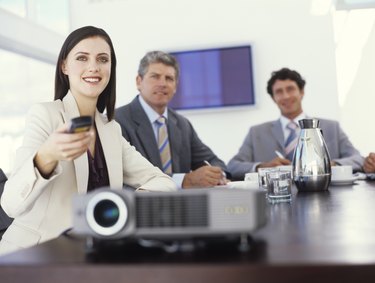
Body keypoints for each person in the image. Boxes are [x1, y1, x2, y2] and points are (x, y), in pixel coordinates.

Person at [0, 26, 177, 255]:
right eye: (82, 58)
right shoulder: (46, 115)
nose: (93, 67)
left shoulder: (111, 130)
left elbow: (163, 182)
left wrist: (132, 201)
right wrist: (47, 155)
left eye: (103, 59)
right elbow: (11, 204)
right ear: (64, 66)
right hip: (37, 255)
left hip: (89, 256)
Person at [115, 51, 228, 189]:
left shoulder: (182, 124)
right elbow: (121, 180)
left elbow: (213, 161)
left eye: (169, 78)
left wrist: (216, 174)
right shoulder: (117, 121)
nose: (162, 83)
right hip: (140, 206)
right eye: (155, 77)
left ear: (175, 86)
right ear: (139, 81)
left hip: (182, 207)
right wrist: (183, 181)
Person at [227, 67, 364, 180]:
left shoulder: (330, 127)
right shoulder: (256, 132)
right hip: (275, 200)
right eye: (279, 92)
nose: (286, 96)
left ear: (302, 92)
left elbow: (358, 159)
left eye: (290, 89)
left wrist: (331, 164)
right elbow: (233, 166)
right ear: (274, 98)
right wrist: (262, 166)